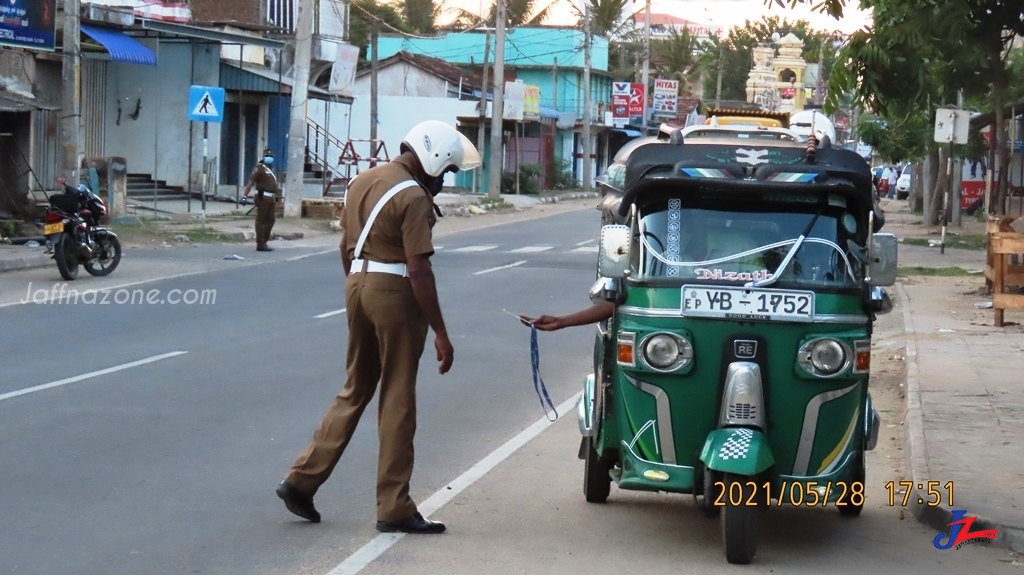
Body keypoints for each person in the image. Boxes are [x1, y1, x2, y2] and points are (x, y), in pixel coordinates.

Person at [276, 120, 481, 534]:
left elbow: (343, 245)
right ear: (435, 159)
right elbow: (419, 269)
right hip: (394, 291)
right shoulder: (414, 197)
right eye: (447, 170)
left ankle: (301, 480)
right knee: (398, 396)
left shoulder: (362, 180)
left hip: (357, 283)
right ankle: (394, 506)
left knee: (355, 386)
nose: (445, 178)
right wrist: (441, 332)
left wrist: (358, 286)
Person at [243, 148, 279, 252]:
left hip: (271, 197)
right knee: (261, 220)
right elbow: (251, 181)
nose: (269, 158)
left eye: (271, 156)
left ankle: (264, 240)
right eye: (268, 156)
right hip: (262, 197)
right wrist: (245, 196)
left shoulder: (271, 169)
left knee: (271, 220)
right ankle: (260, 244)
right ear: (263, 157)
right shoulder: (259, 168)